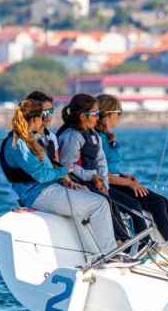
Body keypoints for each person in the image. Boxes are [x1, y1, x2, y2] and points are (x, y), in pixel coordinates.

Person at [0, 98, 117, 259]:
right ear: (34, 119)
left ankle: (95, 255)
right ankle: (110, 254)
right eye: (42, 117)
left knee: (91, 200)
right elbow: (41, 176)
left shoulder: (28, 140)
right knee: (100, 204)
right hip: (38, 195)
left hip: (48, 190)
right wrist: (66, 169)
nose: (44, 121)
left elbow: (47, 169)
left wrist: (68, 181)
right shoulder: (18, 144)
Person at [94, 93, 168, 258]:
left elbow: (109, 166)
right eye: (119, 113)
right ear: (108, 114)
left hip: (119, 181)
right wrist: (128, 183)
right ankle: (166, 247)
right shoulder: (97, 139)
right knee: (154, 203)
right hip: (110, 185)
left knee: (162, 201)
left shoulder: (107, 137)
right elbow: (100, 173)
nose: (120, 117)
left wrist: (125, 176)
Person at [55, 93, 133, 242]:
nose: (98, 117)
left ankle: (123, 239)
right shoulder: (73, 136)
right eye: (95, 114)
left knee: (110, 200)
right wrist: (92, 176)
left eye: (98, 114)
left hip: (94, 180)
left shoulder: (93, 135)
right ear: (83, 116)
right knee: (103, 202)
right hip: (75, 181)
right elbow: (66, 167)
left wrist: (104, 183)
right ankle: (119, 240)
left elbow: (101, 161)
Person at [26, 90, 59, 164]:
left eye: (50, 111)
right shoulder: (22, 138)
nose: (47, 116)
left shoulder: (51, 137)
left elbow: (57, 164)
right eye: (44, 112)